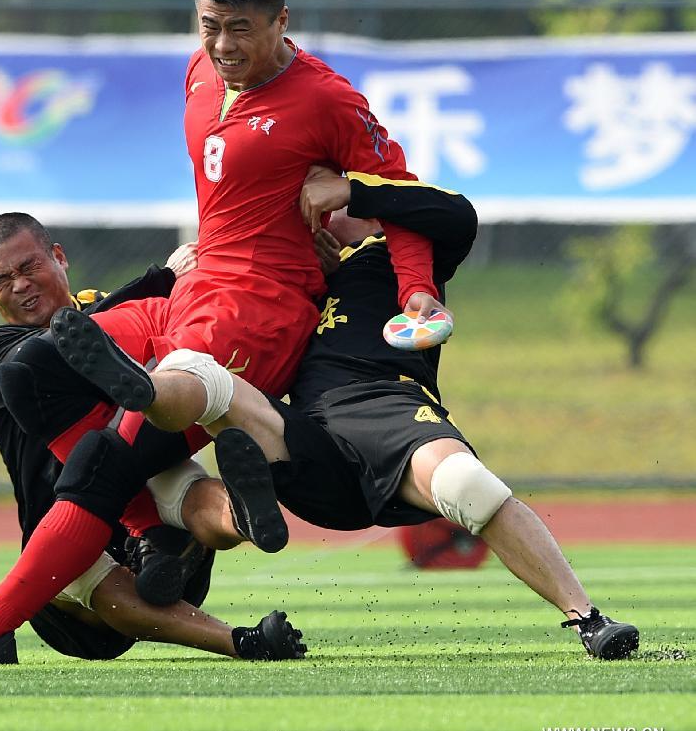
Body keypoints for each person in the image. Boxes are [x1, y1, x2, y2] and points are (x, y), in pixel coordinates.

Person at [0, 0, 454, 665]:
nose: (222, 45)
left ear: (282, 21)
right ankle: (155, 521)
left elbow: (407, 203)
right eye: (209, 25)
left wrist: (414, 294)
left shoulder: (329, 100)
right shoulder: (200, 73)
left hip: (256, 310)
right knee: (30, 369)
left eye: (240, 29)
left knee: (103, 461)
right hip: (192, 292)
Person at [62, 166, 640, 661]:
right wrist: (164, 276)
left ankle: (588, 620)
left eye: (314, 201)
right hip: (306, 435)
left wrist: (354, 192)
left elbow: (458, 216)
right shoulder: (285, 276)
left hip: (386, 404)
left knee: (469, 487)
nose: (306, 216)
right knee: (208, 376)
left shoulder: (404, 252)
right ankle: (191, 453)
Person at [0, 213, 306, 664]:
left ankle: (238, 517)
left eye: (29, 268)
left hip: (166, 541)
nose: (20, 285)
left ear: (59, 257)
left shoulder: (120, 309)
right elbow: (55, 351)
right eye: (2, 279)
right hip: (64, 570)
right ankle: (242, 640)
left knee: (174, 474)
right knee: (93, 558)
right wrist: (159, 280)